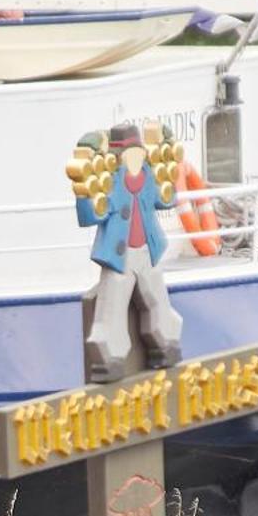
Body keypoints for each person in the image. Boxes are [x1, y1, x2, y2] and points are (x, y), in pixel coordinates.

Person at [71, 122, 184, 382]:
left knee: (158, 302)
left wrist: (170, 163)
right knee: (111, 309)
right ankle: (109, 359)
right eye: (129, 154)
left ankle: (166, 345)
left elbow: (166, 199)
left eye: (138, 153)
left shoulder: (149, 177)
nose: (135, 158)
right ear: (119, 157)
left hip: (148, 250)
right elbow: (90, 214)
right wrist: (82, 189)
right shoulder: (108, 182)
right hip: (119, 256)